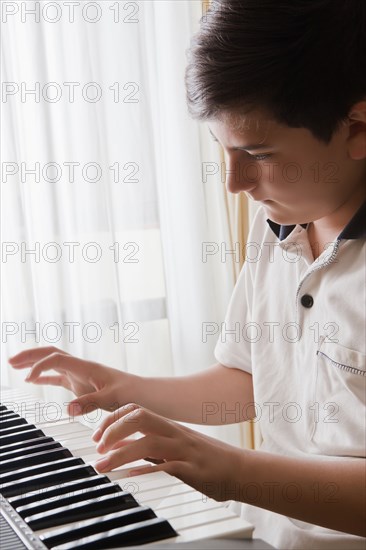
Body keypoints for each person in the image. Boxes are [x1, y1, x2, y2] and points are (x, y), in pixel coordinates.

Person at [9, 1, 366, 548]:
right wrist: (119, 387)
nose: (234, 182)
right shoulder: (281, 215)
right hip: (263, 535)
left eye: (258, 153)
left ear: (358, 127)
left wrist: (227, 468)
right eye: (222, 148)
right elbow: (253, 382)